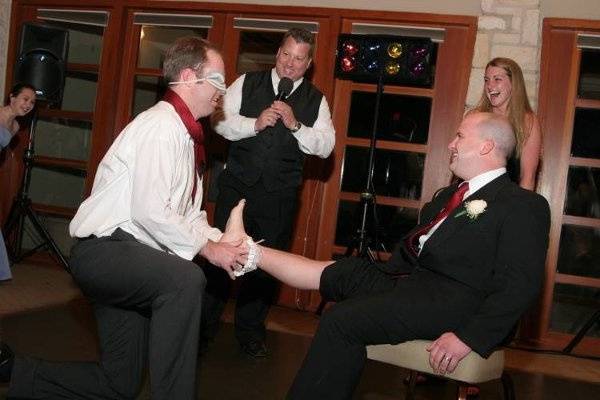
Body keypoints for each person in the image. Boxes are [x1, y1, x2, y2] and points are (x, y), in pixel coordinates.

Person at [225, 112, 551, 399]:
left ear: (486, 146)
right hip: (411, 286)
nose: (451, 144)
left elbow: (519, 284)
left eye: (460, 136)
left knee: (342, 319)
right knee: (347, 271)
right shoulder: (450, 196)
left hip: (456, 305)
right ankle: (247, 250)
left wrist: (470, 338)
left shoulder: (522, 205)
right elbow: (415, 252)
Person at [0, 37, 247, 400]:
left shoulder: (186, 138)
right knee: (184, 281)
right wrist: (208, 250)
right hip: (104, 253)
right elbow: (149, 211)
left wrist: (222, 240)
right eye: (219, 81)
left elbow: (187, 215)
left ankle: (14, 372)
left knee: (119, 385)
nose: (222, 93)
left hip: (131, 259)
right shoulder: (160, 126)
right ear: (190, 77)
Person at [203, 27, 335, 357]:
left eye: (299, 59)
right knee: (218, 258)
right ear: (278, 54)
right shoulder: (247, 83)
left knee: (266, 266)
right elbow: (217, 123)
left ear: (309, 63)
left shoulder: (317, 100)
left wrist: (295, 125)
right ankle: (203, 326)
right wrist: (254, 123)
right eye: (286, 55)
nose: (290, 64)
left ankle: (250, 332)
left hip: (280, 196)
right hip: (236, 189)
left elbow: (326, 147)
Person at [471, 57, 542, 190]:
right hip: (471, 195)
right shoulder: (475, 117)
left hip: (506, 201)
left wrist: (518, 209)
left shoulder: (528, 121)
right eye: (486, 80)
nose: (490, 86)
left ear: (514, 83)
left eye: (497, 79)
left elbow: (528, 177)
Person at [0, 83, 37, 281]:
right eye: (25, 99)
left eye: (32, 102)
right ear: (12, 97)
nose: (28, 104)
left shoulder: (15, 126)